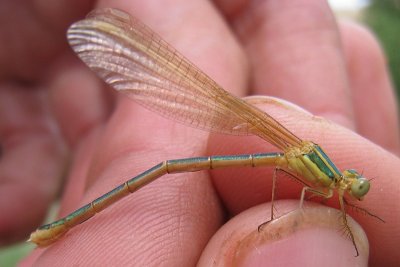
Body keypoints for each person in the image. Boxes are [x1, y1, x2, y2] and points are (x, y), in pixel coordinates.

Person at [1, 0, 399, 266]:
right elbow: (287, 181)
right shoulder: (326, 177)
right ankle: (62, 227)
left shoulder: (330, 180)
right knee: (168, 167)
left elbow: (295, 184)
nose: (353, 187)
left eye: (355, 187)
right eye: (355, 186)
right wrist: (284, 217)